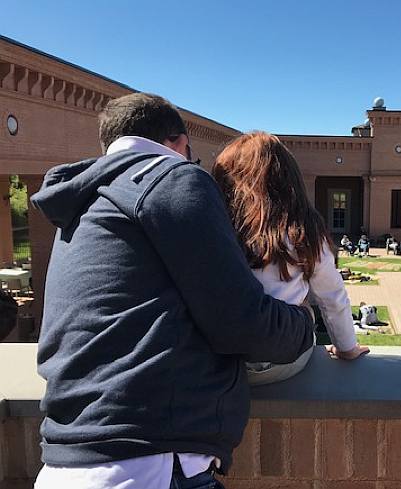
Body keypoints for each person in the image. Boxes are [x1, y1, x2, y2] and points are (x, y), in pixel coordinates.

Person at [30, 93, 315, 489]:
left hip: (66, 461)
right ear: (180, 143)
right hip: (150, 462)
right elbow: (244, 323)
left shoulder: (80, 204)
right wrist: (304, 324)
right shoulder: (174, 177)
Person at [212, 132, 369, 384]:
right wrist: (346, 348)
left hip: (217, 361)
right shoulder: (302, 227)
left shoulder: (212, 224)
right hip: (278, 360)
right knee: (304, 309)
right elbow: (331, 295)